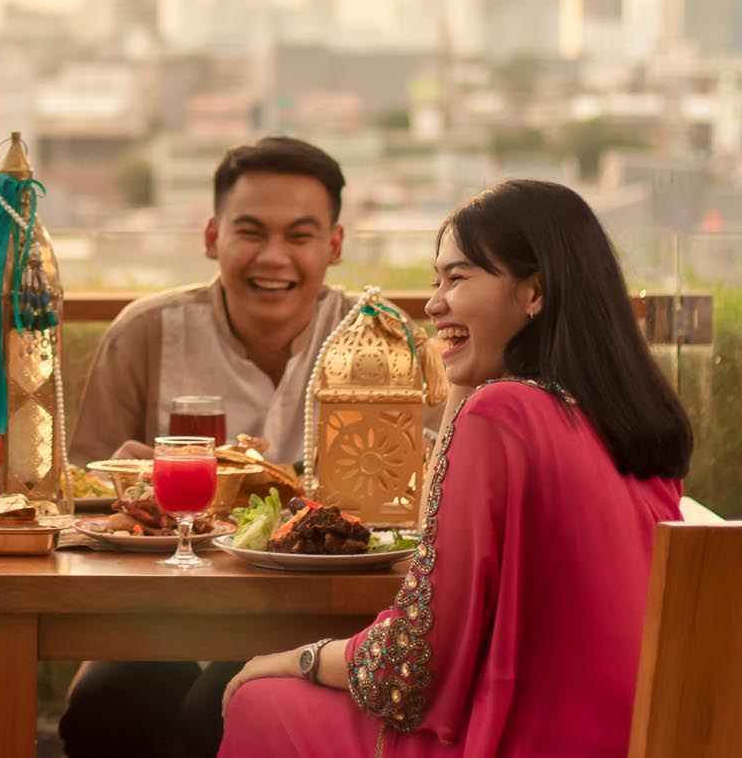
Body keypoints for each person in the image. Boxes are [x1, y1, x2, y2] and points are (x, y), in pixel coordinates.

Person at [218, 179, 694, 758]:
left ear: (534, 292)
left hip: (519, 736)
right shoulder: (629, 419)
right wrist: (462, 380)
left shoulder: (505, 413)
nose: (432, 303)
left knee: (261, 697)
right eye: (435, 280)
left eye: (458, 278)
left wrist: (298, 658)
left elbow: (416, 659)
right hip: (637, 736)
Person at [62, 135, 356, 758]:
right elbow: (77, 499)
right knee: (103, 707)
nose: (273, 258)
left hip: (325, 629)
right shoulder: (146, 334)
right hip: (157, 621)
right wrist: (126, 488)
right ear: (211, 237)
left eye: (299, 236)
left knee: (217, 713)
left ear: (334, 246)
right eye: (250, 232)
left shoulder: (374, 347)